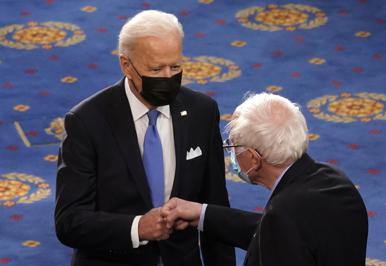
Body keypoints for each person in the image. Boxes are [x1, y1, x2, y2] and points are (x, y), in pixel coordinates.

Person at [54, 10, 235, 266]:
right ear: (126, 65)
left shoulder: (201, 112)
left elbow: (216, 209)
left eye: (176, 67)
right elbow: (69, 221)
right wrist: (137, 227)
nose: (167, 77)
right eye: (156, 68)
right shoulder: (86, 122)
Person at [162, 93, 369, 266]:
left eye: (232, 147)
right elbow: (275, 231)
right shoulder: (335, 181)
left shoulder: (283, 214)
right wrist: (202, 214)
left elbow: (279, 230)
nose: (231, 155)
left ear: (253, 158)